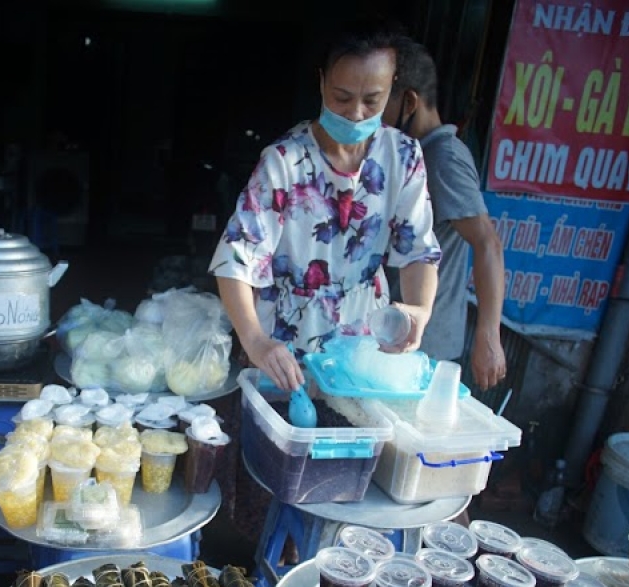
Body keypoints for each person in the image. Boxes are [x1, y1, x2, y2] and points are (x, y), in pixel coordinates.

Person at [210, 24, 442, 392]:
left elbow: (418, 250)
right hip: (284, 345)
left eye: (372, 100)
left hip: (364, 345)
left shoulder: (402, 156)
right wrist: (255, 341)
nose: (355, 113)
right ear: (322, 83)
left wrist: (420, 311)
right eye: (342, 97)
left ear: (392, 87)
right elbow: (236, 259)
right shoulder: (284, 161)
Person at [381, 36, 507, 390]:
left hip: (426, 348)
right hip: (401, 338)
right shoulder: (410, 156)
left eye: (377, 102)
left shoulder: (442, 159)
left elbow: (487, 242)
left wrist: (489, 335)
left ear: (409, 102)